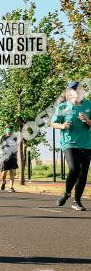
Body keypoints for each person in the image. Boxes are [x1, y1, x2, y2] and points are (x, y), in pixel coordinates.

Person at [52, 81, 91, 211]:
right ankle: (67, 193)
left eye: (78, 89)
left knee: (83, 173)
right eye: (73, 90)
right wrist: (62, 126)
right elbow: (53, 123)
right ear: (69, 92)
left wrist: (87, 120)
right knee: (74, 168)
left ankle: (77, 201)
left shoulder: (88, 105)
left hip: (86, 144)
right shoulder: (63, 107)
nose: (76, 91)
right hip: (68, 143)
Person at [0, 126, 18, 192]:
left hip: (13, 157)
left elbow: (16, 146)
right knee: (4, 172)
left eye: (10, 132)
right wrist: (2, 152)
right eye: (8, 131)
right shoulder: (2, 137)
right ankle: (3, 182)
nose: (9, 133)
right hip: (5, 157)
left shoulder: (14, 137)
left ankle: (11, 187)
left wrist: (15, 152)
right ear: (6, 131)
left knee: (12, 172)